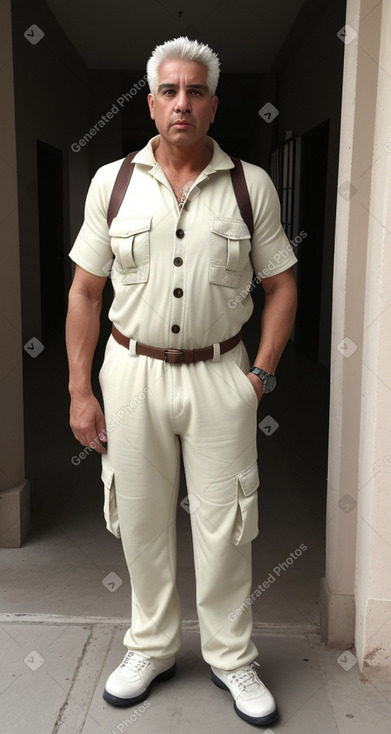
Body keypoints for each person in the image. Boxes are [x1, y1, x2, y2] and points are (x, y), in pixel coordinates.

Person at [65, 36, 297, 727]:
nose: (182, 103)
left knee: (226, 526)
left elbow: (282, 286)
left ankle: (231, 657)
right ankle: (152, 647)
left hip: (220, 375)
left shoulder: (247, 185)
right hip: (129, 374)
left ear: (213, 104)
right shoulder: (113, 182)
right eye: (168, 90)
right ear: (150, 100)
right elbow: (84, 292)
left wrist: (258, 375)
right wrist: (81, 390)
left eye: (195, 91)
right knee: (139, 518)